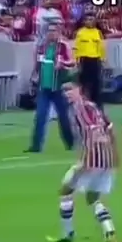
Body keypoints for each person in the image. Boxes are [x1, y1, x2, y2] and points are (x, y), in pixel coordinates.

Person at [47, 80, 119, 242]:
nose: (66, 94)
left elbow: (93, 132)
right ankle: (109, 229)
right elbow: (110, 128)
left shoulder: (80, 109)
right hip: (106, 158)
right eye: (64, 91)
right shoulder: (93, 106)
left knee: (66, 190)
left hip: (92, 158)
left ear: (80, 89)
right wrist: (115, 154)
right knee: (92, 198)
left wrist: (87, 160)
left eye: (70, 90)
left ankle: (68, 233)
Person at [26, 22, 75, 153]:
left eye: (54, 31)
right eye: (49, 31)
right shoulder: (41, 47)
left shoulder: (63, 46)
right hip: (44, 87)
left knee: (64, 117)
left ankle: (70, 143)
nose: (51, 34)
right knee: (40, 116)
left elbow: (72, 62)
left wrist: (62, 63)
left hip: (58, 87)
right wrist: (33, 79)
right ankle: (36, 146)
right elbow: (37, 65)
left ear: (58, 33)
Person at [73, 12, 105, 106]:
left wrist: (102, 60)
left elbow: (101, 47)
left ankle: (97, 105)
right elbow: (76, 48)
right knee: (84, 84)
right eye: (87, 20)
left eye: (91, 19)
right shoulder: (80, 33)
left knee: (96, 84)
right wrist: (76, 61)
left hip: (95, 60)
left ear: (95, 21)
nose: (89, 21)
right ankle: (84, 105)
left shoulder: (98, 32)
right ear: (84, 21)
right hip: (84, 60)